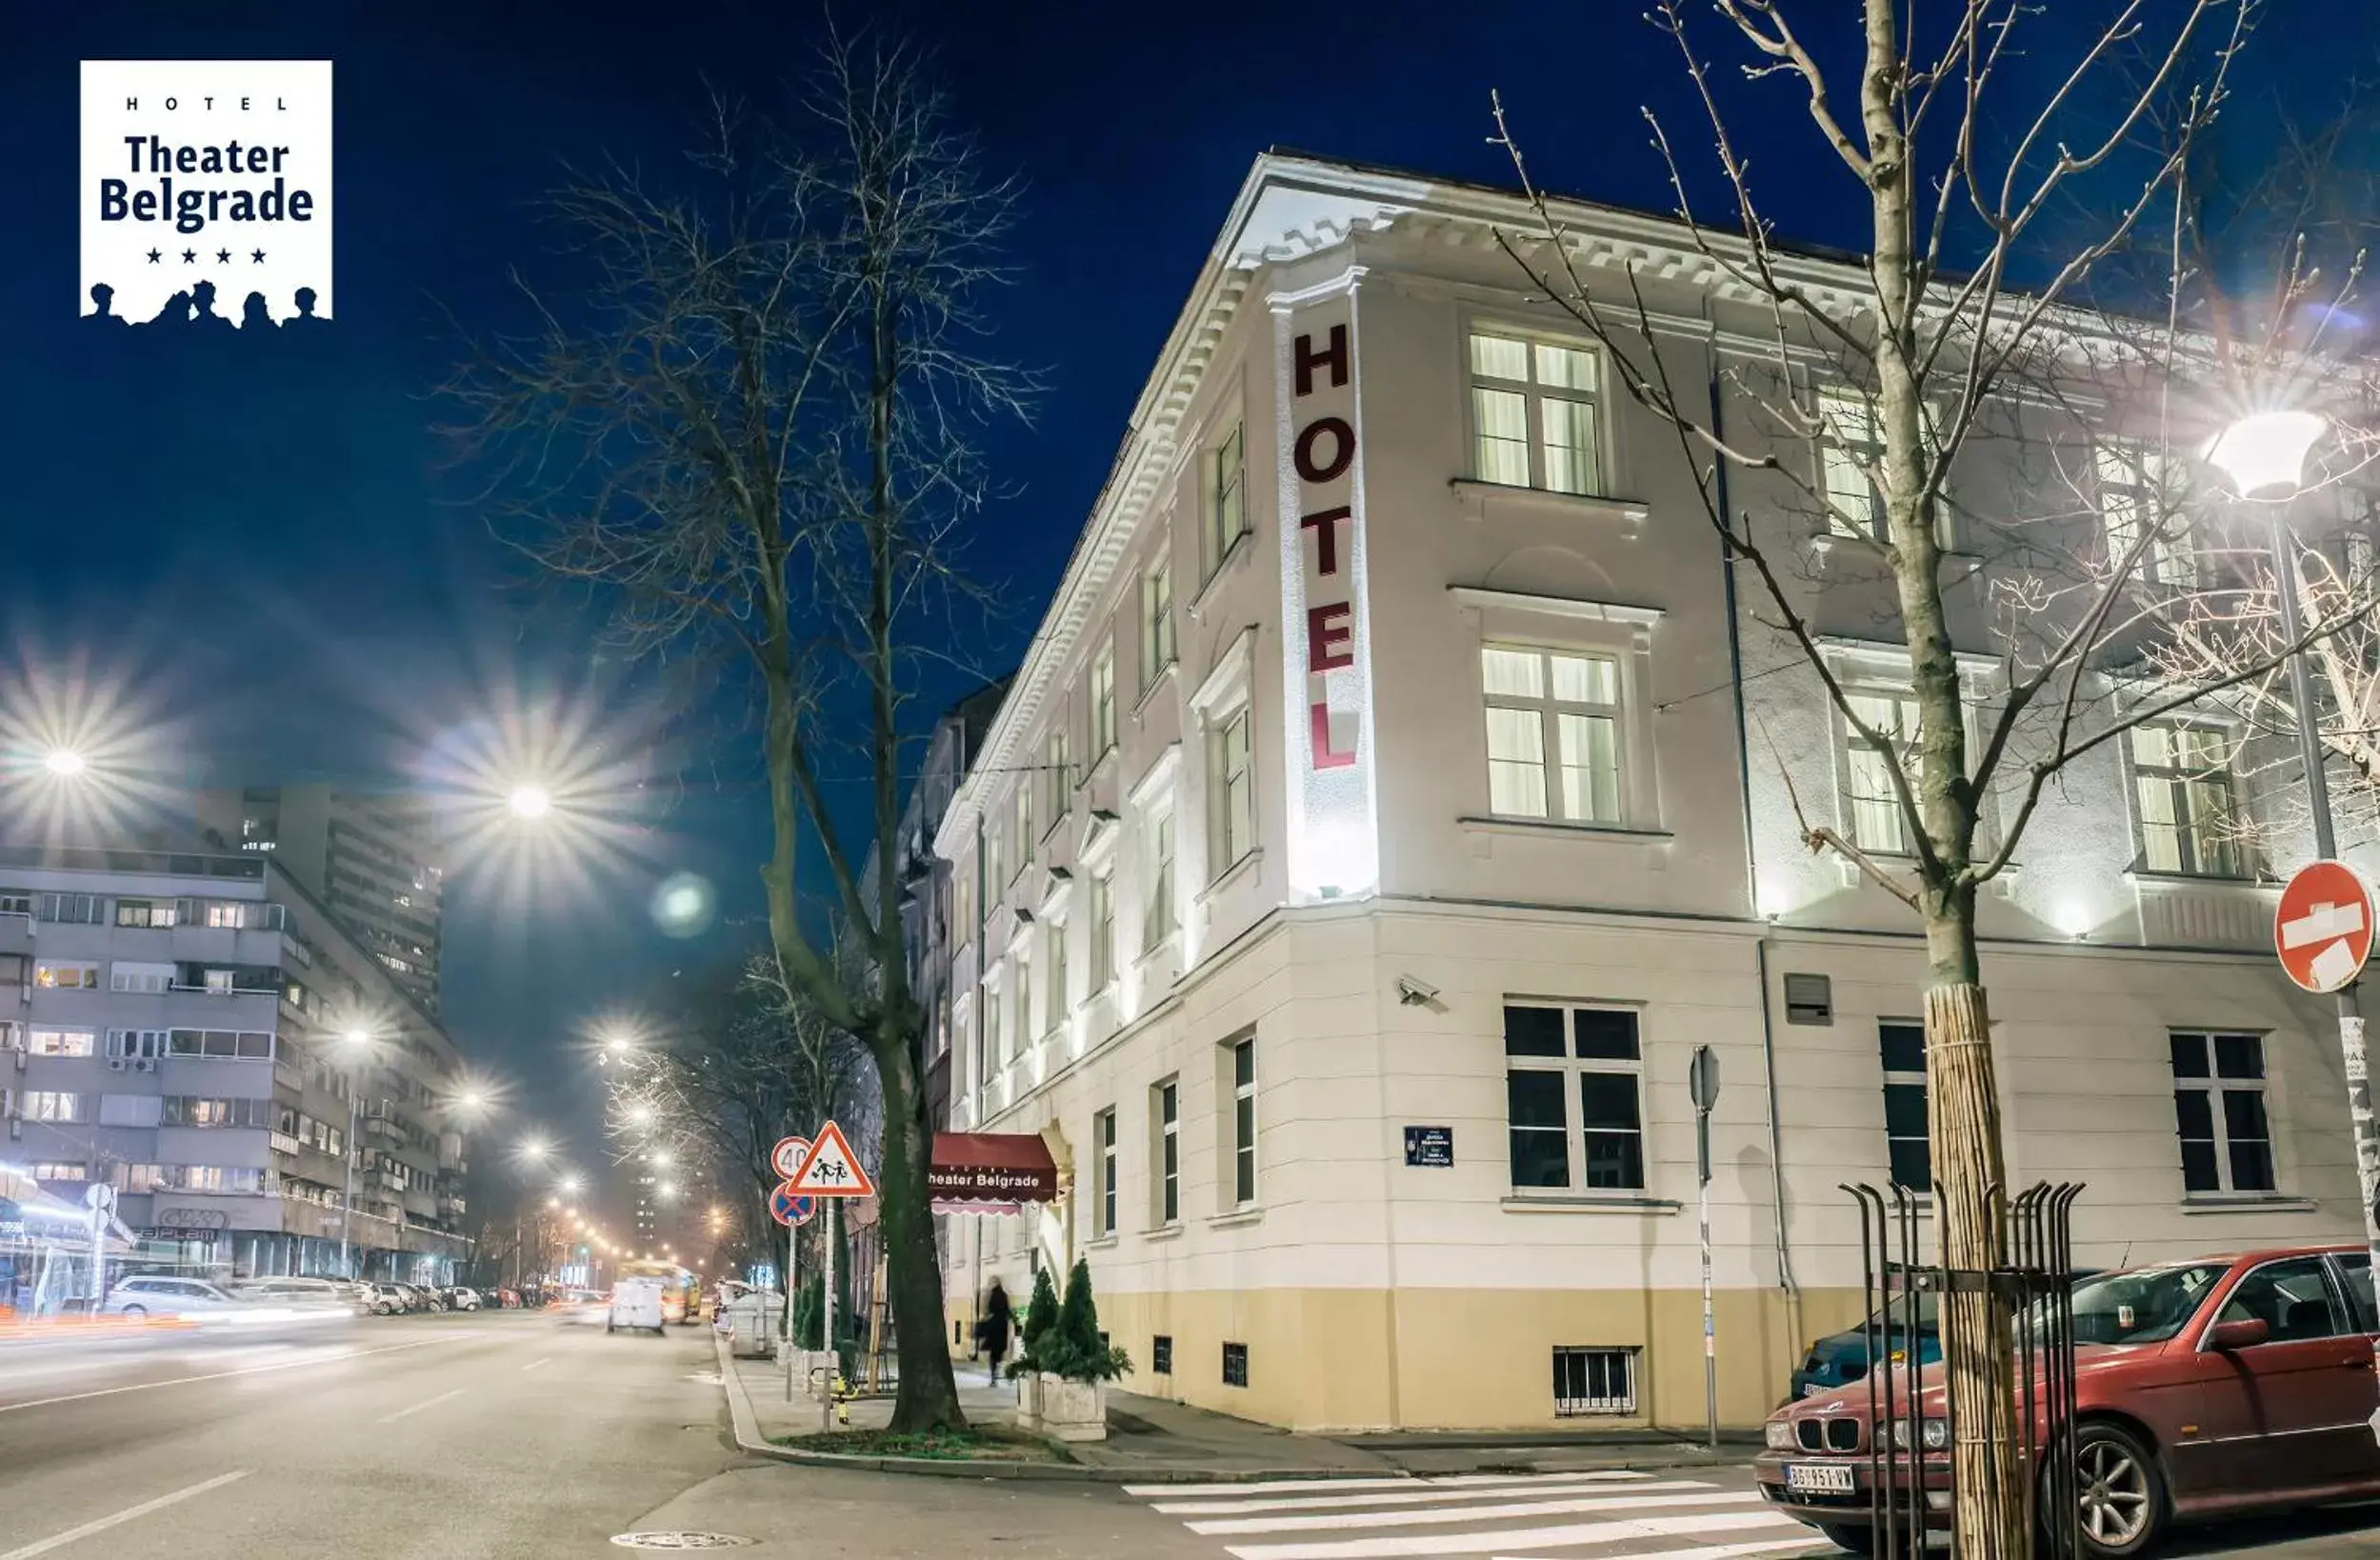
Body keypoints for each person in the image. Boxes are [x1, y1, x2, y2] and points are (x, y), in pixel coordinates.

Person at [980, 1279, 1012, 1383]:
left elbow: (989, 1309)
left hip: (993, 1328)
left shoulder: (992, 1295)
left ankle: (993, 1375)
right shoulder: (1004, 1295)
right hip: (1002, 1328)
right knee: (999, 1352)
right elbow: (1007, 1310)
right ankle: (998, 1372)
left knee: (993, 1354)